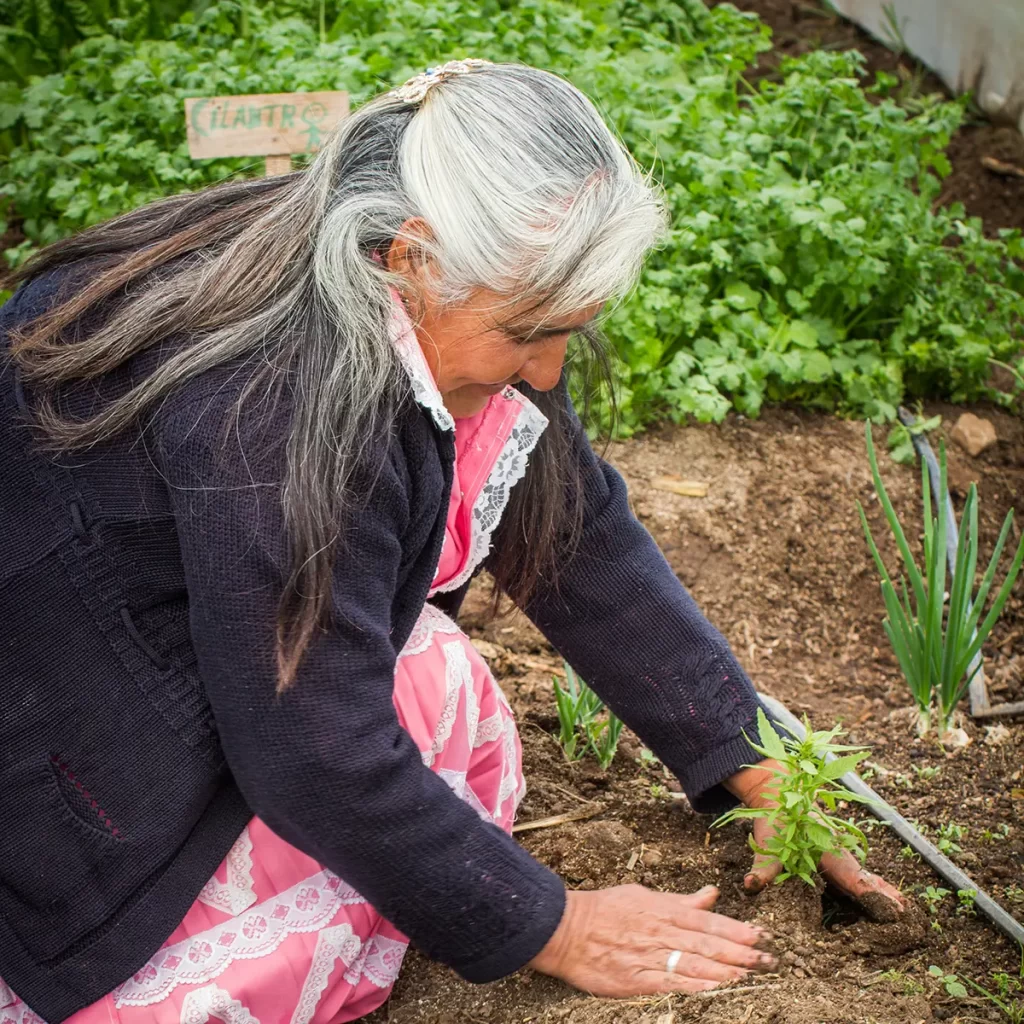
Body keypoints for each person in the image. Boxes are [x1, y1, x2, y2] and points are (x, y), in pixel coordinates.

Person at [0, 59, 903, 1024]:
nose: (549, 369)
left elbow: (575, 534)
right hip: (61, 764)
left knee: (423, 668)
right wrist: (556, 926)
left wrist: (751, 760)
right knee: (406, 692)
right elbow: (310, 749)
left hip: (167, 658)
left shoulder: (376, 263)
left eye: (571, 329)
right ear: (411, 254)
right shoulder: (272, 405)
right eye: (528, 331)